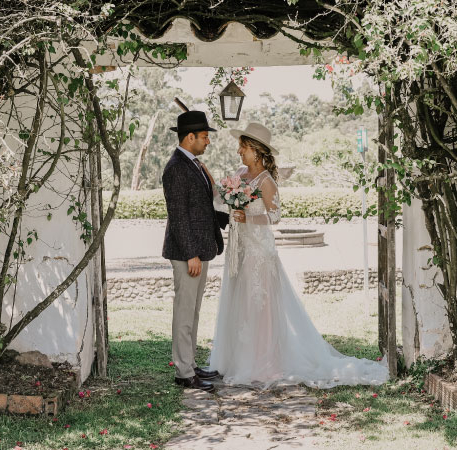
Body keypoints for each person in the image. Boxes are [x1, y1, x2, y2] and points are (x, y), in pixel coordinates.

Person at [208, 122, 389, 389]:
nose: (239, 152)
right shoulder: (239, 174)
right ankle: (237, 359)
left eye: (243, 147)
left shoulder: (266, 181)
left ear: (256, 152)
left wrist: (246, 216)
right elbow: (222, 199)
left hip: (259, 252)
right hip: (240, 249)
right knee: (239, 301)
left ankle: (261, 362)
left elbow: (275, 217)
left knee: (259, 305)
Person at [161, 110, 230, 392]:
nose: (207, 142)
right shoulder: (176, 167)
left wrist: (235, 220)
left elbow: (201, 210)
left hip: (200, 250)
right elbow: (178, 215)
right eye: (204, 137)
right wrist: (190, 253)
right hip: (186, 254)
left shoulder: (195, 165)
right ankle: (184, 372)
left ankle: (190, 364)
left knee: (194, 312)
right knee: (184, 312)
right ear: (190, 137)